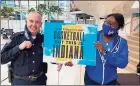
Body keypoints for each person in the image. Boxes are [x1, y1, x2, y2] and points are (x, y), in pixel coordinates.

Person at [58, 13, 129, 85]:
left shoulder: (122, 42)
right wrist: (71, 60)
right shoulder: (92, 36)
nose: (108, 25)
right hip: (91, 80)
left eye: (113, 24)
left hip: (110, 81)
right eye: (107, 22)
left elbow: (123, 63)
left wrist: (105, 53)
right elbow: (79, 50)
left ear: (118, 27)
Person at [1, 11, 47, 85]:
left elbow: (51, 56)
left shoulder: (43, 39)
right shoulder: (16, 38)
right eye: (31, 21)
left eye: (37, 22)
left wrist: (62, 61)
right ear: (26, 22)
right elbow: (1, 58)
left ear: (41, 24)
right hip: (20, 82)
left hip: (40, 81)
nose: (34, 24)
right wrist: (19, 47)